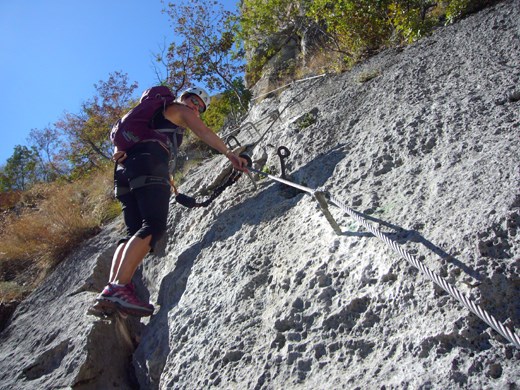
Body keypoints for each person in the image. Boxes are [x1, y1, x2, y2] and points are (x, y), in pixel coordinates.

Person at [91, 86, 248, 317]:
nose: (195, 107)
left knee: (133, 232)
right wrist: (229, 153)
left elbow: (125, 144)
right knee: (153, 226)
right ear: (183, 97)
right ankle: (119, 288)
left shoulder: (149, 117)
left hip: (125, 173)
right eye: (194, 101)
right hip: (146, 164)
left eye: (200, 107)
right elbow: (204, 132)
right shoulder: (178, 109)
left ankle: (111, 288)